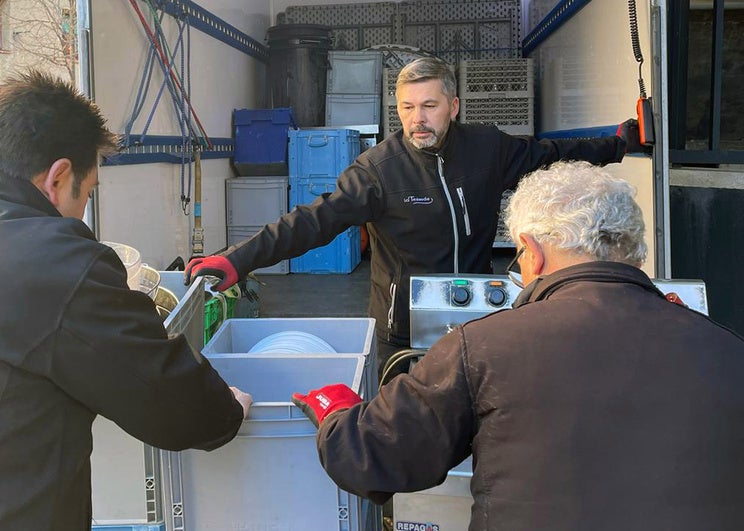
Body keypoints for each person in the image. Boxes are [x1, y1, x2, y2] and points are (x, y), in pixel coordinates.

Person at [291, 160, 744, 530]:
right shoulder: (728, 352)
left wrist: (336, 414)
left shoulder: (480, 347)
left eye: (521, 257)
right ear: (634, 252)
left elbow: (374, 455)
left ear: (532, 250)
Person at [185, 56, 646, 379]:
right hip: (400, 327)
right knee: (404, 422)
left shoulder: (487, 148)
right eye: (407, 107)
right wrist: (236, 260)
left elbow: (555, 155)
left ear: (453, 106)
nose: (416, 119)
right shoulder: (378, 171)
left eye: (428, 106)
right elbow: (312, 220)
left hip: (476, 311)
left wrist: (619, 145)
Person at [0, 70, 253, 529]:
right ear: (58, 177)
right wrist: (227, 409)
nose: (83, 210)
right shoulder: (56, 264)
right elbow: (169, 401)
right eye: (89, 191)